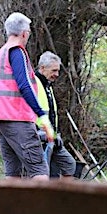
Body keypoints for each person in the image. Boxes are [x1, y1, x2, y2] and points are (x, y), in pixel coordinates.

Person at [0, 12, 54, 180]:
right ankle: (41, 207)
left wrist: (0, 133)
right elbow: (24, 85)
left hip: (1, 123)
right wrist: (42, 116)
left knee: (13, 174)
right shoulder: (17, 52)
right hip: (18, 120)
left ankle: (11, 207)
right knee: (39, 170)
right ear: (25, 33)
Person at [35, 51, 76, 179]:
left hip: (52, 137)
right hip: (40, 137)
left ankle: (62, 196)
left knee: (69, 164)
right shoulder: (34, 83)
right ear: (42, 68)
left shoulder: (48, 85)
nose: (56, 74)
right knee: (44, 173)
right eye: (54, 70)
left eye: (57, 71)